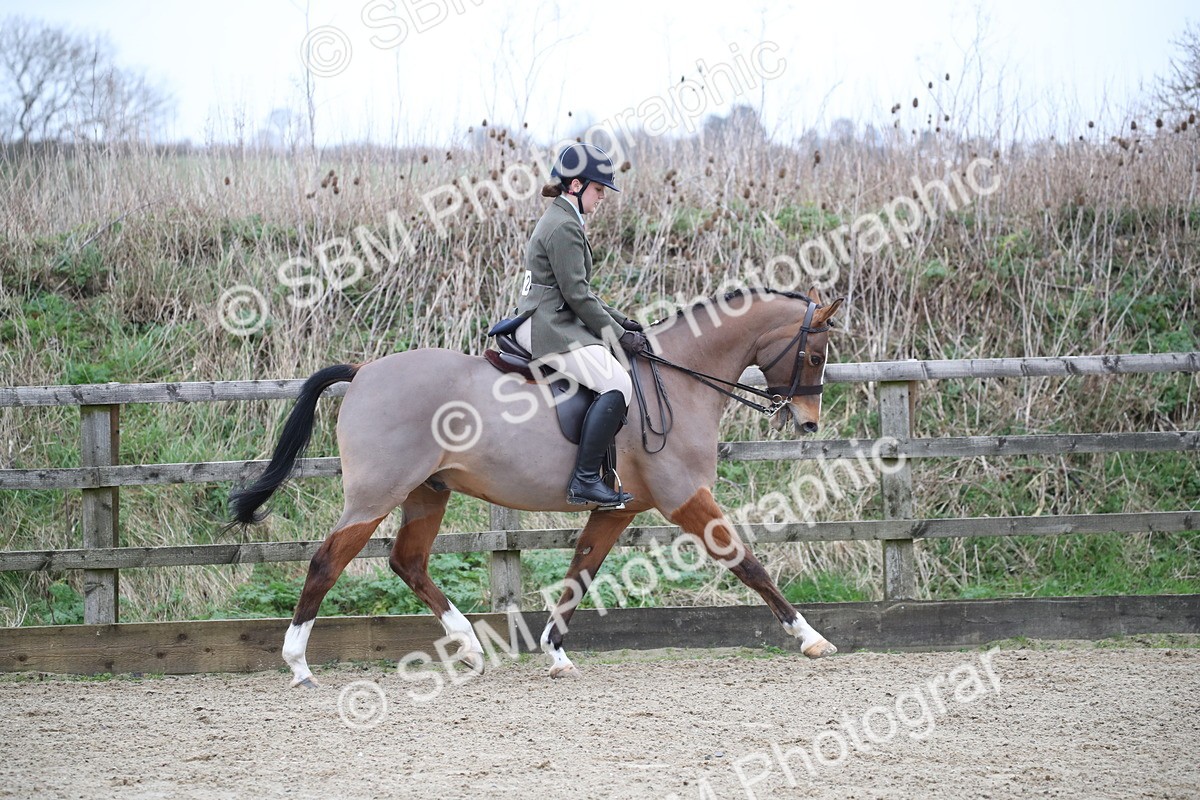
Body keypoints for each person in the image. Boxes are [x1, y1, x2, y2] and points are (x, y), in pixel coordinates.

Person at [510, 143, 647, 508]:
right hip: (548, 325)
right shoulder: (563, 226)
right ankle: (584, 480)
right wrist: (618, 336)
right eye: (599, 189)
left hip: (553, 317)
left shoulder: (563, 219)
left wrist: (623, 321)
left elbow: (581, 292)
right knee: (617, 382)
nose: (602, 197)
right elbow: (578, 297)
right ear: (575, 185)